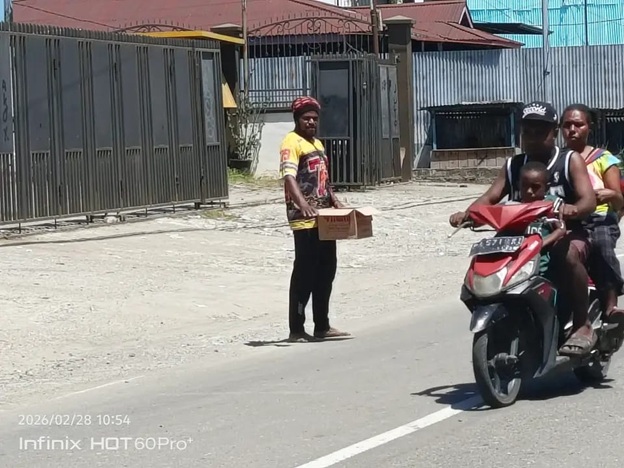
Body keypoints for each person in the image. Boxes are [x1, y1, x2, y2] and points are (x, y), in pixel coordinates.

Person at [449, 101, 597, 356]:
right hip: (521, 236)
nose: (532, 136)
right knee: (485, 265)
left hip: (566, 232)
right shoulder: (513, 165)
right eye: (527, 130)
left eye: (540, 130)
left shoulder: (568, 160)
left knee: (568, 255)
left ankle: (582, 324)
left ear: (554, 132)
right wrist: (468, 215)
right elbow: (489, 198)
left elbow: (588, 200)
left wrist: (572, 209)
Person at [279, 96, 350, 342]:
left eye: (314, 119)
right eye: (306, 118)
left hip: (324, 218)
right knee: (305, 273)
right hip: (304, 219)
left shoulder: (317, 144)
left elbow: (324, 179)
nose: (311, 122)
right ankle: (296, 328)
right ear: (297, 119)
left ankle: (322, 325)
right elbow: (288, 177)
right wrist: (303, 204)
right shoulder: (291, 142)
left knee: (327, 270)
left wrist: (335, 200)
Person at [560, 103, 624, 332]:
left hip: (599, 219)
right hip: (567, 218)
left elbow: (620, 201)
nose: (572, 130)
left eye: (578, 124)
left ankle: (610, 304)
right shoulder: (558, 159)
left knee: (602, 244)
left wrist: (610, 194)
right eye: (567, 125)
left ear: (590, 127)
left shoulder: (603, 159)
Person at [520, 161, 567, 277]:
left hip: (543, 262)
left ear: (547, 187)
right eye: (524, 186)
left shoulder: (552, 204)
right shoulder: (514, 206)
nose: (529, 191)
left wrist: (540, 244)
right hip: (519, 259)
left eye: (535, 187)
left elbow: (561, 229)